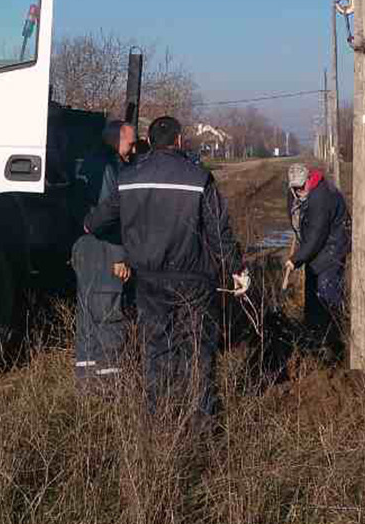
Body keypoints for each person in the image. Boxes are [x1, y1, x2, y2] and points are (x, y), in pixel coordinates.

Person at [87, 116, 248, 421]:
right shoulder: (199, 178)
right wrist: (237, 269)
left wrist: (89, 225)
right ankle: (201, 423)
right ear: (177, 141)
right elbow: (218, 231)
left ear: (150, 140)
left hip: (148, 282)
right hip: (194, 282)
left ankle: (158, 420)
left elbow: (98, 220)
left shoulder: (130, 177)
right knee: (198, 352)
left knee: (157, 351)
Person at [71, 119, 136, 388]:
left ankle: (86, 380)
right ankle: (110, 387)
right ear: (114, 140)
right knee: (109, 315)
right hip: (106, 248)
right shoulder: (109, 167)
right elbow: (111, 214)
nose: (133, 152)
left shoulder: (86, 162)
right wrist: (122, 255)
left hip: (83, 246)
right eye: (130, 145)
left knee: (88, 314)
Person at [282, 163, 351, 350]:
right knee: (312, 294)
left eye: (301, 186)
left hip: (332, 246)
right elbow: (300, 223)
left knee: (327, 292)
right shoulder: (295, 194)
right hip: (314, 248)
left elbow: (317, 234)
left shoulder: (321, 196)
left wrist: (295, 259)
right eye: (294, 188)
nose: (299, 191)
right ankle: (313, 335)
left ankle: (334, 341)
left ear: (308, 181)